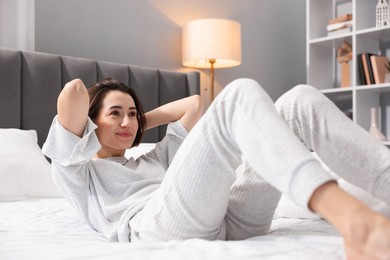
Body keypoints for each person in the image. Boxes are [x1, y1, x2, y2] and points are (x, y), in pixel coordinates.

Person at [42, 77, 390, 259]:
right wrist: (99, 125)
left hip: (224, 221)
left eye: (132, 113)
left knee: (298, 99)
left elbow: (193, 105)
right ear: (90, 122)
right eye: (115, 113)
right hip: (155, 228)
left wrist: (140, 122)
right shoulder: (76, 171)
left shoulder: (155, 159)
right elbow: (73, 92)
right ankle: (352, 220)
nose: (127, 121)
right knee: (237, 95)